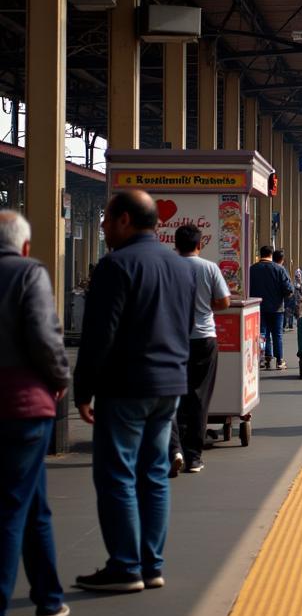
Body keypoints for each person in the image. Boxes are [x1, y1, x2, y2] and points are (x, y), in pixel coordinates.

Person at [73, 189, 195, 593]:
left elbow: (98, 336)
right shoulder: (180, 267)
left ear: (125, 219)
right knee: (155, 474)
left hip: (126, 386)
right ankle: (151, 565)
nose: (103, 226)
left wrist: (83, 390)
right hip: (169, 386)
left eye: (106, 219)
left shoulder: (115, 265)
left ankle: (125, 566)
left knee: (117, 475)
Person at [0, 210, 72, 616]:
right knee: (12, 508)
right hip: (21, 406)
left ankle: (49, 598)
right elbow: (45, 337)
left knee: (34, 504)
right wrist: (62, 379)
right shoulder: (29, 273)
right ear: (24, 246)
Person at [167, 225, 230, 475]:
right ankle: (193, 457)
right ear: (199, 244)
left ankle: (173, 450)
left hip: (171, 339)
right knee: (198, 397)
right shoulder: (209, 267)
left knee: (171, 396)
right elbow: (224, 302)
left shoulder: (167, 267)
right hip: (203, 338)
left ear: (175, 244)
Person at [250, 245, 292, 369]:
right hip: (277, 307)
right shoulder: (279, 269)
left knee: (262, 334)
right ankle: (279, 361)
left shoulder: (252, 269)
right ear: (271, 254)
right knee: (277, 334)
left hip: (258, 307)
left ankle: (264, 358)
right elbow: (288, 289)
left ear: (260, 253)